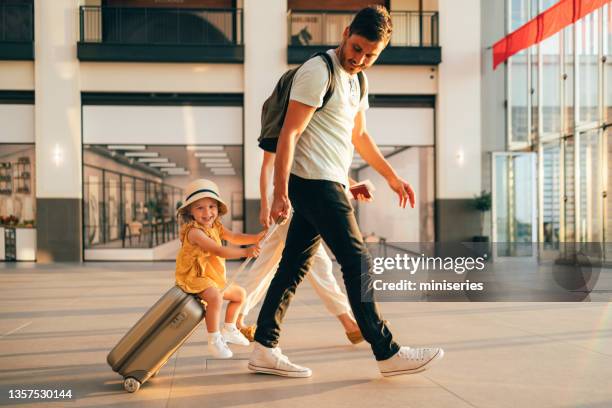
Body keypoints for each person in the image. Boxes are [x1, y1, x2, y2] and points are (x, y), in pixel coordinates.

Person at [248, 5, 444, 377]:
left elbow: (359, 136)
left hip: (329, 182)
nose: (360, 59)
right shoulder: (318, 72)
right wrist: (278, 191)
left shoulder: (358, 81)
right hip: (314, 182)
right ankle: (387, 352)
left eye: (371, 54)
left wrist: (389, 176)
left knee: (292, 266)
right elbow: (290, 133)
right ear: (345, 34)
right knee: (358, 262)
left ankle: (263, 345)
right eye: (356, 48)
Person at [235, 150, 363, 344]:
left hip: (304, 198)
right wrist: (264, 205)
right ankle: (349, 324)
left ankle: (236, 318)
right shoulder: (283, 124)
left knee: (266, 263)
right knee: (318, 262)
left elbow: (324, 163)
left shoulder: (314, 129)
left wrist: (353, 185)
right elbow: (267, 166)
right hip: (287, 200)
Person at [175, 179, 263, 359]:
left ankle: (229, 328)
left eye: (211, 206)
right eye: (200, 208)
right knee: (215, 296)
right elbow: (217, 250)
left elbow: (235, 237)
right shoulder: (194, 232)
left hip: (211, 276)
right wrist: (245, 252)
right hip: (195, 276)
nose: (207, 212)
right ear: (190, 211)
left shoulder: (216, 226)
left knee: (240, 294)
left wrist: (256, 238)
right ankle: (213, 339)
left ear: (217, 208)